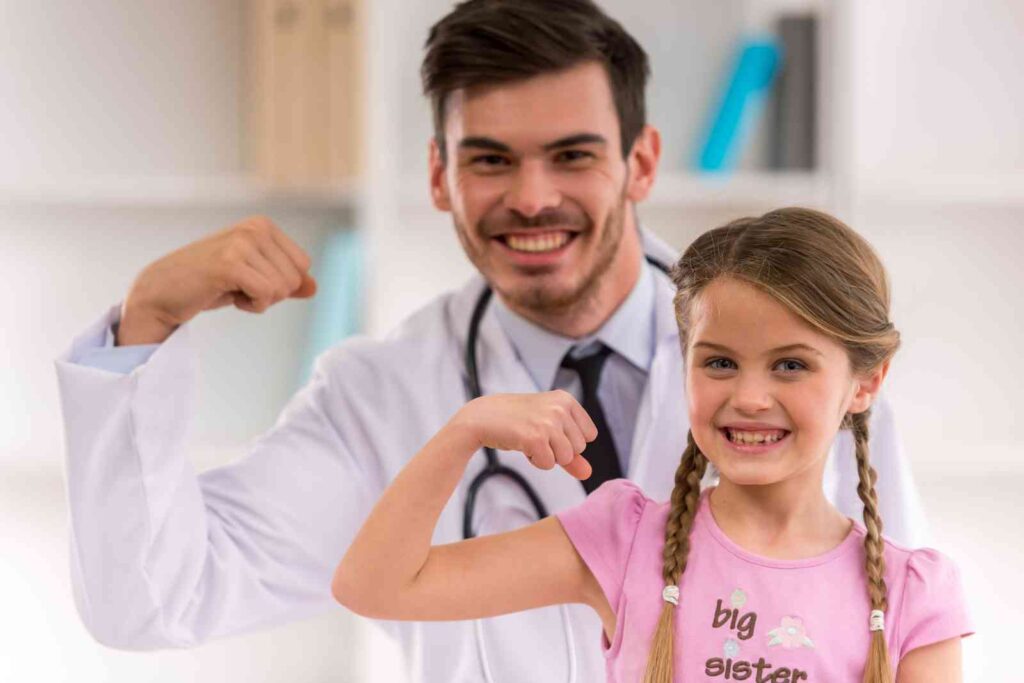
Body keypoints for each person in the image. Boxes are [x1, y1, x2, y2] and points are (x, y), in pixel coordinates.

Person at [53, 1, 926, 680]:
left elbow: (892, 624)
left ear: (642, 163)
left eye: (574, 155)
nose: (533, 196)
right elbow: (152, 602)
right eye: (491, 159)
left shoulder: (807, 362)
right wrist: (148, 321)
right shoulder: (379, 396)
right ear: (439, 175)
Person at [332, 207, 973, 682]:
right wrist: (464, 430)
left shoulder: (912, 593)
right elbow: (378, 585)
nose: (749, 396)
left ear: (865, 384)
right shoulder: (623, 540)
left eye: (790, 365)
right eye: (719, 363)